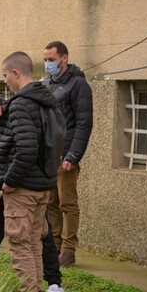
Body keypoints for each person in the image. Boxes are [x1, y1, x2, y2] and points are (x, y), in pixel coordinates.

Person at [0, 90, 65, 292]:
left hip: (22, 185)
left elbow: (28, 152)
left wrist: (12, 182)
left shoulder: (16, 118)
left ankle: (54, 286)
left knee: (41, 236)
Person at [0, 52, 58, 292]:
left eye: (5, 75)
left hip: (25, 188)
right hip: (43, 186)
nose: (5, 80)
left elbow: (26, 150)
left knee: (20, 246)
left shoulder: (21, 105)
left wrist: (10, 181)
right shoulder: (47, 101)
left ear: (16, 73)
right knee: (34, 243)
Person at [43, 41, 93, 267]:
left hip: (66, 156)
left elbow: (84, 122)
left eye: (51, 60)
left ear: (64, 58)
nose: (47, 64)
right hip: (49, 154)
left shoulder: (78, 84)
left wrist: (73, 156)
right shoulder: (47, 84)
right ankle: (54, 248)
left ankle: (68, 251)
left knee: (67, 204)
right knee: (51, 203)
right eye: (45, 60)